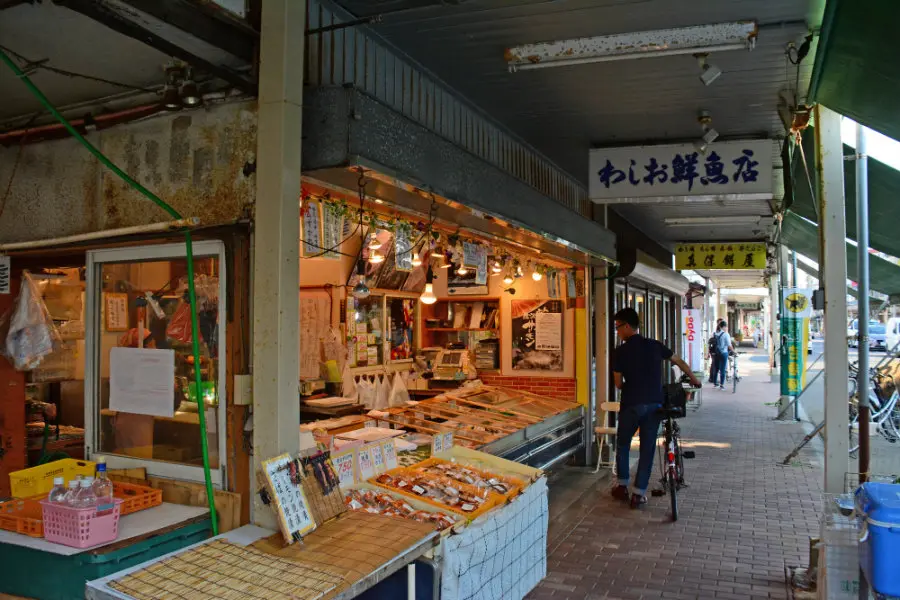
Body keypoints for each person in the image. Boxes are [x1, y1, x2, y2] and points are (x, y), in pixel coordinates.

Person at [611, 308, 701, 509]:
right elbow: (679, 361)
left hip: (631, 405)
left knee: (623, 444)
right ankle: (638, 494)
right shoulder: (655, 345)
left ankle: (622, 486)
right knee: (647, 448)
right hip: (654, 405)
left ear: (627, 326)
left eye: (617, 327)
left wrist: (632, 387)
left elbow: (618, 384)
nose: (617, 331)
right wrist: (694, 379)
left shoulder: (621, 351)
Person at [712, 320, 735, 390]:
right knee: (723, 369)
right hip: (723, 353)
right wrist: (734, 351)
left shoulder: (715, 334)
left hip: (716, 353)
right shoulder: (726, 334)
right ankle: (722, 385)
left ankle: (715, 384)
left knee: (715, 368)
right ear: (724, 327)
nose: (726, 328)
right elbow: (729, 345)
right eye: (726, 327)